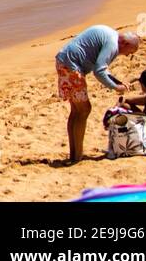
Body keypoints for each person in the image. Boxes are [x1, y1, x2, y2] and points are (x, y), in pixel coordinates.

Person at [55, 25, 140, 162]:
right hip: (71, 66)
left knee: (77, 111)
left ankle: (74, 154)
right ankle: (77, 156)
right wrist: (116, 87)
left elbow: (103, 69)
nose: (127, 55)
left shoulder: (112, 36)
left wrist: (118, 82)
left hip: (65, 61)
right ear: (125, 43)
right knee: (84, 110)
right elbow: (99, 71)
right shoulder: (113, 45)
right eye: (129, 52)